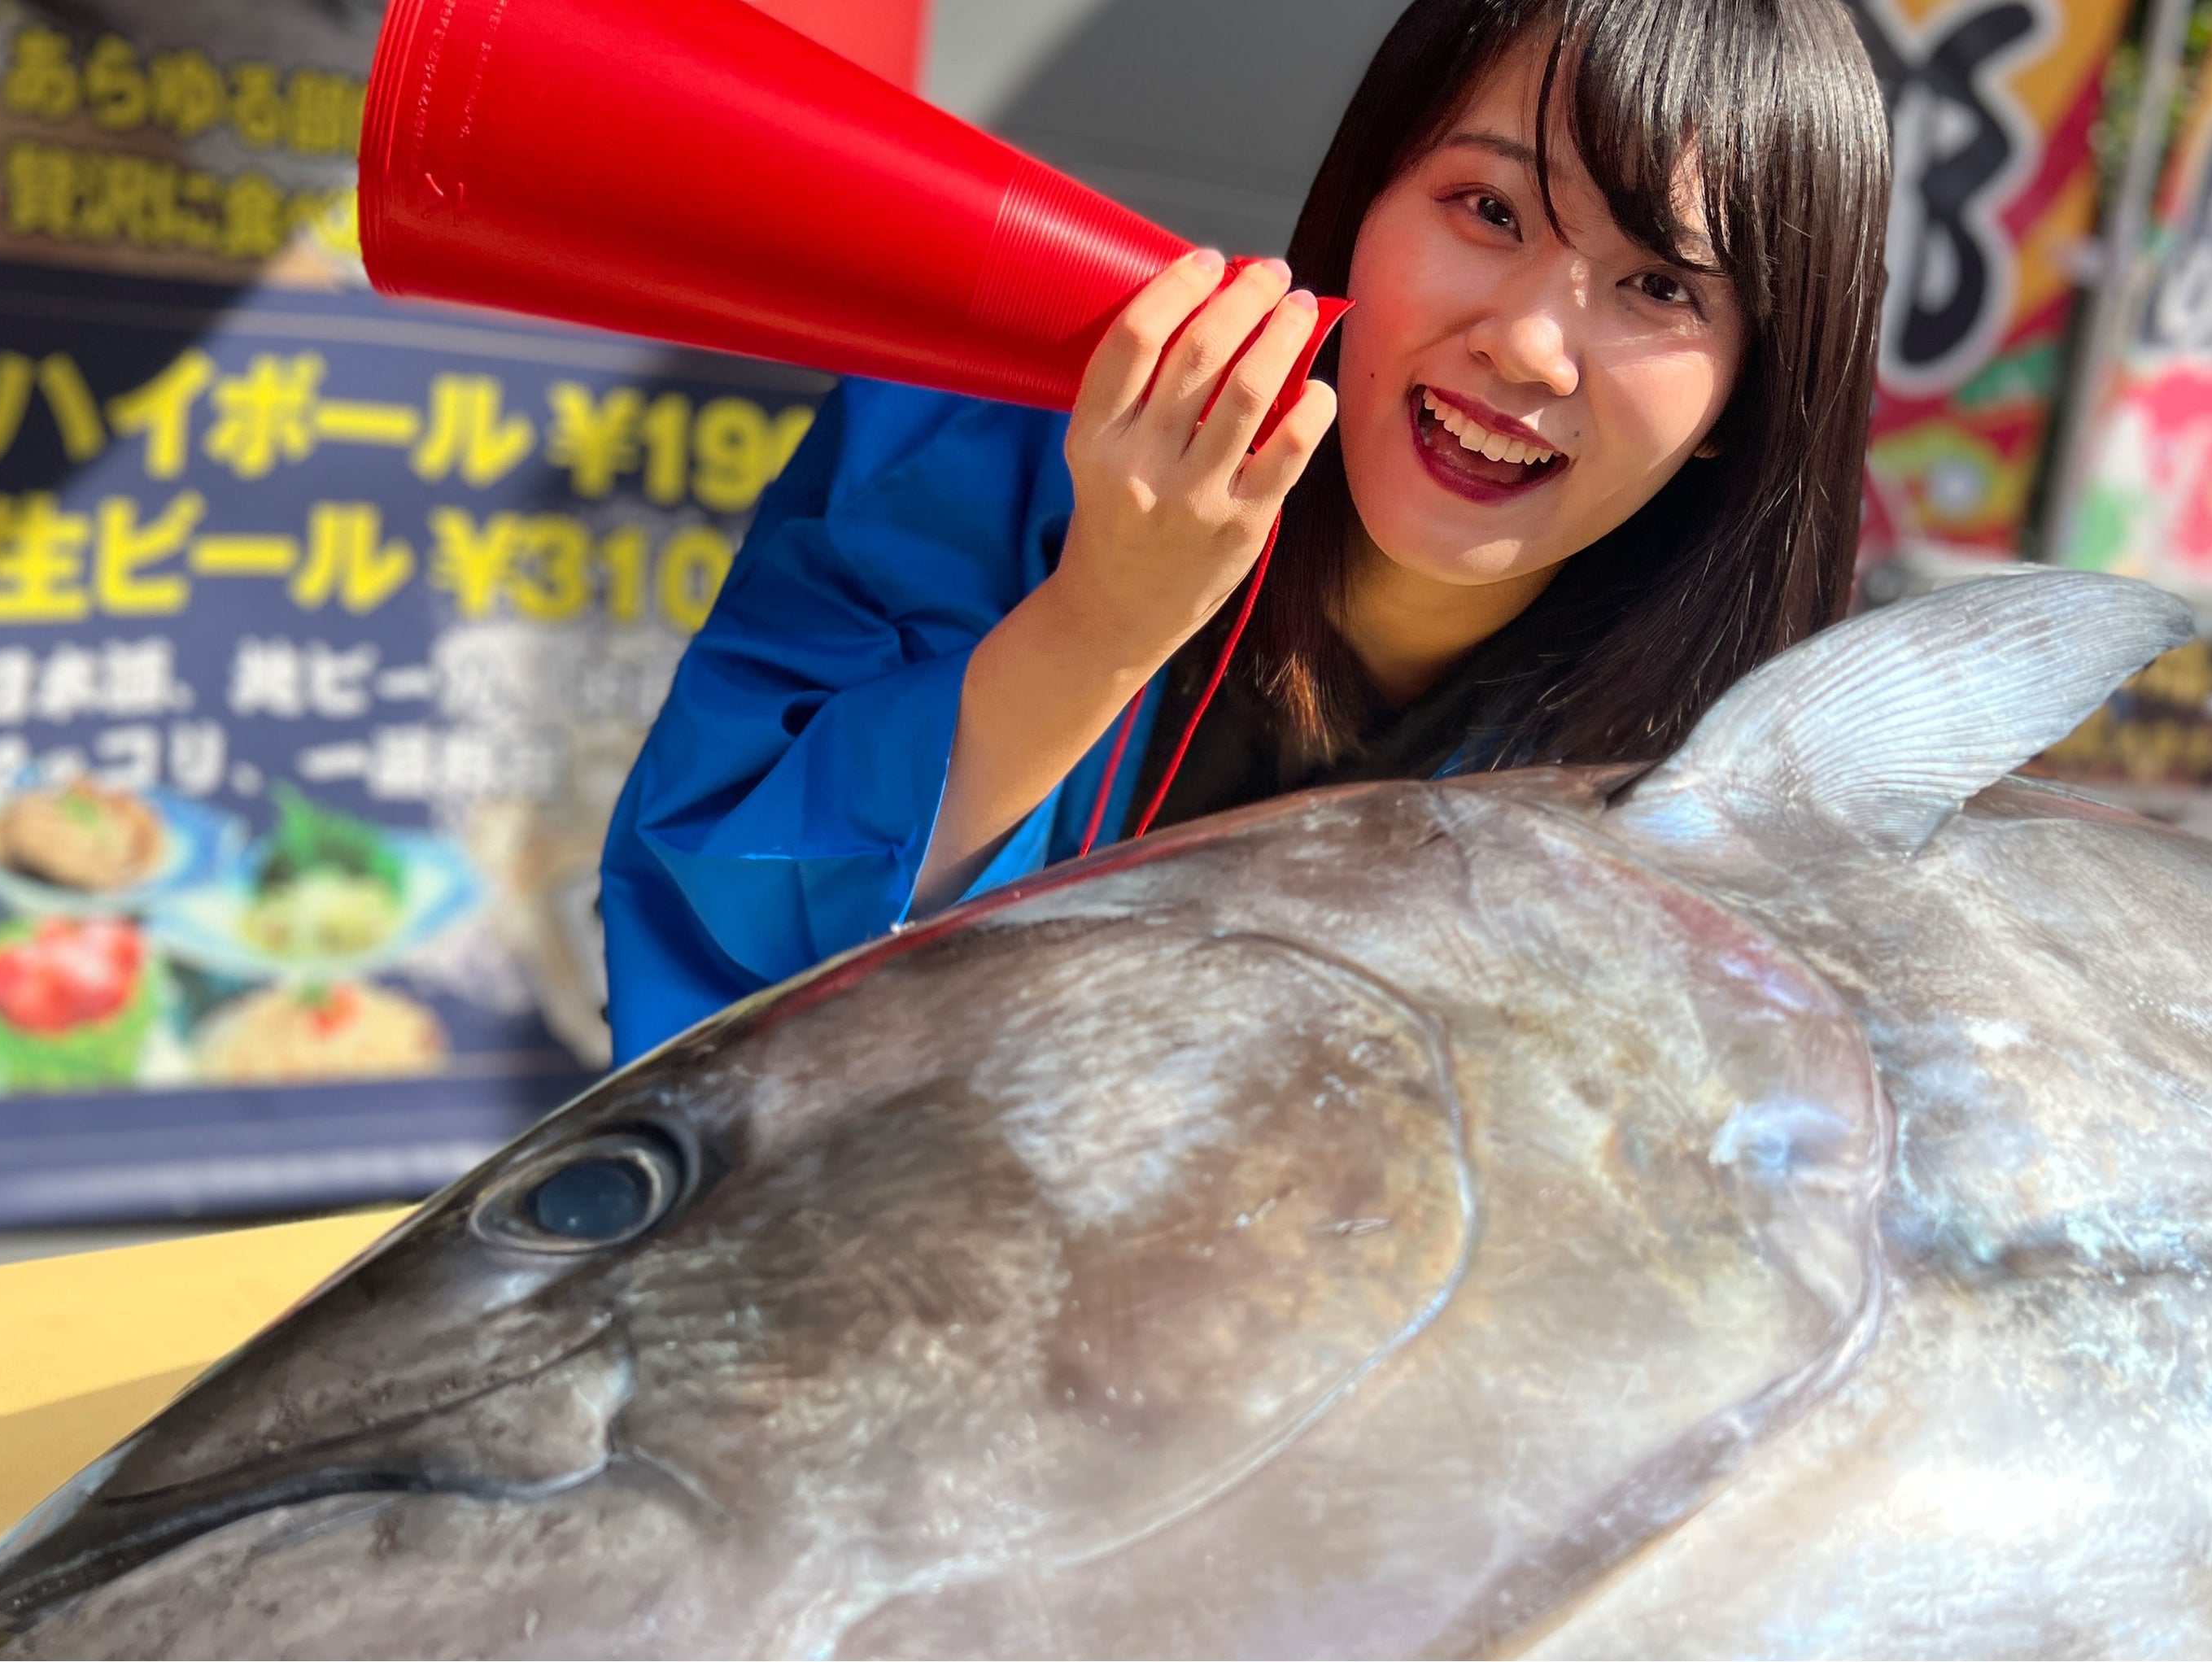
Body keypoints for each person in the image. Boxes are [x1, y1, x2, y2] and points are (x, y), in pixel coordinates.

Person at [600, 0, 1891, 1062]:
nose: (1531, 344)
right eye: (1489, 210)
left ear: (1748, 395)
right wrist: (1101, 622)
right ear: (1359, 204)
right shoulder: (970, 443)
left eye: (1657, 287)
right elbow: (719, 981)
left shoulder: (1729, 791)